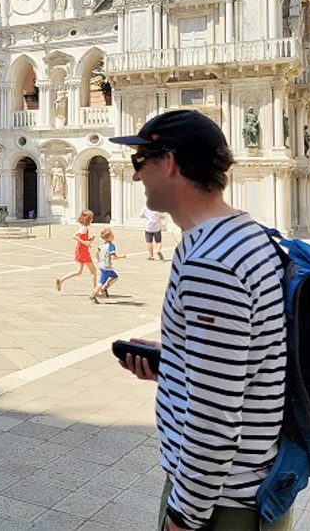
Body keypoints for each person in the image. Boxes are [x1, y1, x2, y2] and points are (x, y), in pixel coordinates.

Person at [112, 109, 290, 531]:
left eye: (140, 162)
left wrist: (183, 516)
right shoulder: (249, 235)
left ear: (168, 163)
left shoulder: (211, 263)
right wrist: (176, 361)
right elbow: (244, 364)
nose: (136, 178)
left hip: (221, 506)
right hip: (244, 492)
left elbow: (215, 415)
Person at [56, 210, 96, 294]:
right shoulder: (84, 228)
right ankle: (95, 291)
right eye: (91, 218)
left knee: (79, 271)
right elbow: (74, 236)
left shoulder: (82, 227)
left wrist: (88, 240)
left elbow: (82, 238)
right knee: (93, 271)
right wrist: (85, 242)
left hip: (81, 249)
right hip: (83, 251)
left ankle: (61, 280)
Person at [92, 228, 121, 303]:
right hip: (107, 267)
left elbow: (96, 252)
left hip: (102, 265)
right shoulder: (111, 246)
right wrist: (122, 257)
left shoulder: (102, 245)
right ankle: (94, 294)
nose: (113, 236)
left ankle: (105, 288)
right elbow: (113, 257)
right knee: (102, 281)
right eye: (112, 235)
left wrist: (99, 260)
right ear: (109, 237)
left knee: (115, 276)